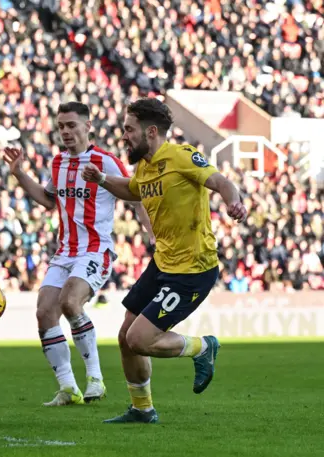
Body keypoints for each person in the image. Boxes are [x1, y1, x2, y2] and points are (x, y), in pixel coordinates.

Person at [81, 97, 247, 423]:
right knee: (125, 338)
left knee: (139, 339)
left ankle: (202, 347)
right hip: (163, 263)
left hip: (191, 270)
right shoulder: (144, 166)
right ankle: (142, 409)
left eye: (129, 129)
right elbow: (133, 190)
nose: (124, 135)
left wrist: (234, 202)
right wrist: (101, 180)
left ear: (151, 131)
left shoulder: (181, 156)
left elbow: (220, 182)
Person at [3, 101, 154, 406]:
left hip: (96, 250)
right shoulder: (58, 163)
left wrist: (152, 234)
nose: (66, 132)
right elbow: (48, 201)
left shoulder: (105, 161)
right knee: (45, 312)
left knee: (70, 302)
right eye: (61, 126)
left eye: (71, 125)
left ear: (87, 126)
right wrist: (19, 174)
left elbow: (134, 196)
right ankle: (68, 387)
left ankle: (95, 379)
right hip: (65, 252)